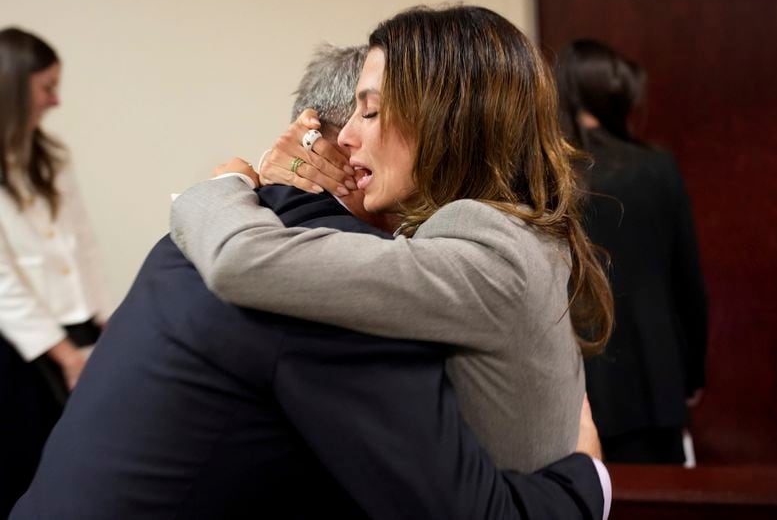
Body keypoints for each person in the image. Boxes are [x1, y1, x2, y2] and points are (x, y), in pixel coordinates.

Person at [13, 44, 610, 520]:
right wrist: (589, 476)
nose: (357, 135)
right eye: (360, 112)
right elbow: (457, 506)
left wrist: (227, 182)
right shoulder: (330, 286)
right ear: (331, 138)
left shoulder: (195, 231)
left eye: (375, 113)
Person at [171, 5, 614, 473]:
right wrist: (293, 188)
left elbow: (242, 260)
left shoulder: (487, 251)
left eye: (371, 111)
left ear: (448, 119)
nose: (345, 135)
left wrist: (228, 185)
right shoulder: (518, 232)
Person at [555, 39, 708, 463]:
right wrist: (693, 373)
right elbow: (688, 284)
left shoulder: (551, 174)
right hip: (656, 382)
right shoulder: (657, 166)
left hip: (578, 387)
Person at [0, 27, 109, 515]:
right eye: (46, 87)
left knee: (75, 464)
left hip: (76, 326)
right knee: (23, 470)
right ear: (12, 87)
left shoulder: (51, 156)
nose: (56, 100)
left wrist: (105, 324)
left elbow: (82, 246)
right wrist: (66, 356)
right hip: (18, 347)